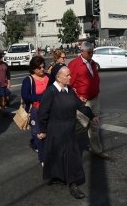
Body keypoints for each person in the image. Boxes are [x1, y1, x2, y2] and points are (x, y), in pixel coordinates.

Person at [37, 65, 99, 199]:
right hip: (56, 130)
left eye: (70, 74)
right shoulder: (50, 92)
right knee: (60, 155)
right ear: (58, 77)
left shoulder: (69, 90)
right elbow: (43, 113)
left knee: (71, 157)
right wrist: (42, 130)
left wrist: (91, 115)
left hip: (69, 129)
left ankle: (71, 182)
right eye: (67, 75)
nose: (70, 77)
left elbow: (80, 105)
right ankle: (68, 182)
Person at [68, 41, 109, 159]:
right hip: (83, 102)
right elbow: (68, 85)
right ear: (82, 52)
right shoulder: (74, 64)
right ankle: (68, 148)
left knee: (95, 126)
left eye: (92, 52)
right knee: (80, 126)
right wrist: (77, 96)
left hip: (94, 99)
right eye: (89, 52)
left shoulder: (93, 63)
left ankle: (96, 149)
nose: (91, 54)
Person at [21, 56, 52, 165]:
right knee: (38, 134)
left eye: (43, 67)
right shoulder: (28, 80)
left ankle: (47, 151)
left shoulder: (49, 77)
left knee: (49, 132)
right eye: (39, 68)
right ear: (33, 69)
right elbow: (25, 96)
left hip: (50, 109)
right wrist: (41, 97)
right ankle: (43, 158)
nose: (42, 69)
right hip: (36, 110)